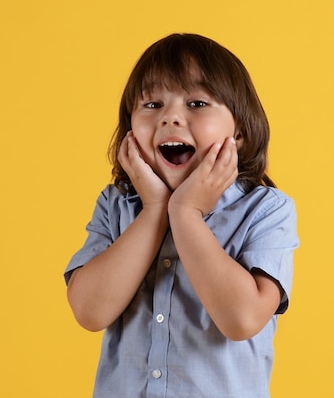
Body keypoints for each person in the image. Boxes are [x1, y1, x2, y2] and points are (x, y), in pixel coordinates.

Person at [64, 33, 299, 398]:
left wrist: (185, 213)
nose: (171, 117)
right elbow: (89, 312)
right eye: (153, 104)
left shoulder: (265, 210)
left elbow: (243, 319)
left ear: (238, 131)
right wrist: (156, 210)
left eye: (197, 103)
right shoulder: (116, 205)